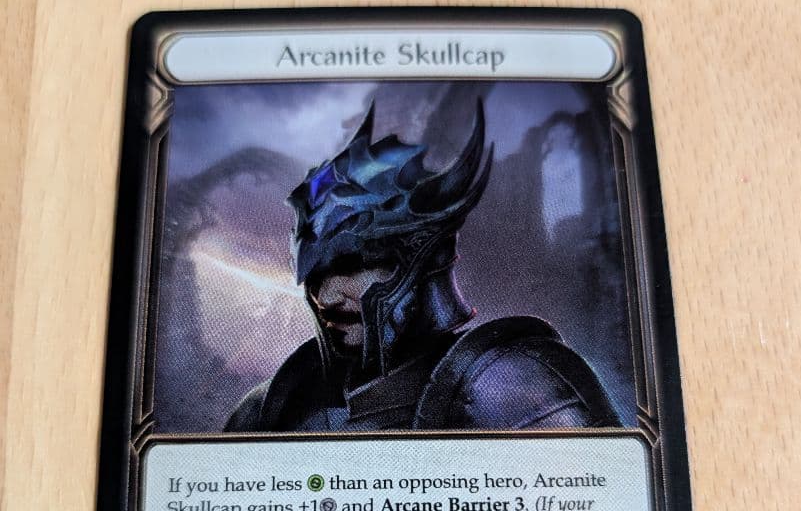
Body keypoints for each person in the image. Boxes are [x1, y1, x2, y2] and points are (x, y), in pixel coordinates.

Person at [225, 101, 619, 432]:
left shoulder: (511, 385)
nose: (325, 297)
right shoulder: (276, 406)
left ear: (424, 259)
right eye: (316, 273)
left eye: (353, 266)